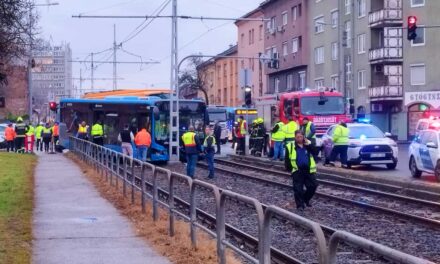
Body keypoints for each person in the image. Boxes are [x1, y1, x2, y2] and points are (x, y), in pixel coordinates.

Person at [285, 130, 318, 210]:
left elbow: (315, 152)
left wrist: (309, 145)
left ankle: (305, 199)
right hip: (297, 170)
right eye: (297, 137)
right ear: (295, 137)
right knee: (298, 189)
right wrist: (290, 169)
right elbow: (287, 159)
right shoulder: (290, 145)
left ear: (303, 137)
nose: (299, 138)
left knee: (313, 186)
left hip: (309, 170)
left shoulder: (308, 144)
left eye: (301, 137)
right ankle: (300, 205)